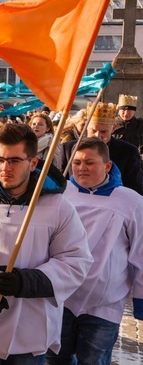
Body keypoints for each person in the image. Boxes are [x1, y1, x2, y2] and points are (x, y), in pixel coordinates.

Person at [0, 123, 93, 363]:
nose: (4, 168)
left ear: (33, 163)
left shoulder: (58, 207)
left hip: (31, 328)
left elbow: (75, 260)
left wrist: (28, 281)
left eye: (14, 161)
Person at [45, 138, 143, 365]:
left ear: (107, 166)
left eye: (89, 162)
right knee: (55, 359)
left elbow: (140, 252)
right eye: (77, 162)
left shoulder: (131, 201)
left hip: (104, 302)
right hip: (60, 296)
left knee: (94, 360)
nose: (81, 168)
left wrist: (140, 297)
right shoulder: (58, 194)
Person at [55, 102, 143, 195]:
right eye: (93, 130)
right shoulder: (68, 148)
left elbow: (135, 187)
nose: (98, 136)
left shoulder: (128, 151)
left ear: (113, 128)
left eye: (103, 131)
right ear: (86, 127)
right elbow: (60, 181)